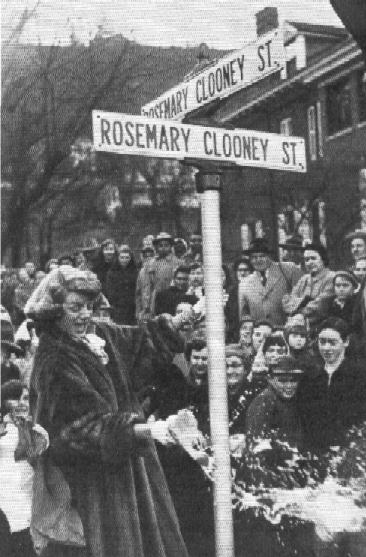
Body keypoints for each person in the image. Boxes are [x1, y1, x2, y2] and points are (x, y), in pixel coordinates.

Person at [25, 266, 190, 557]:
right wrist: (152, 430)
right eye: (75, 307)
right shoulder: (53, 361)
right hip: (94, 488)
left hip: (131, 474)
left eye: (89, 306)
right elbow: (80, 430)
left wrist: (185, 318)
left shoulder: (98, 335)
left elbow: (141, 344)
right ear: (54, 310)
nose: (85, 315)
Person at [298, 317, 366, 451]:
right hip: (315, 451)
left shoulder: (360, 377)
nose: (326, 348)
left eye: (332, 342)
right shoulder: (310, 376)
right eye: (322, 342)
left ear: (345, 342)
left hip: (349, 452)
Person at [246, 356, 305, 450]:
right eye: (282, 381)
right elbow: (257, 444)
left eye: (293, 380)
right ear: (270, 379)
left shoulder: (294, 399)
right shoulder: (264, 401)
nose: (289, 386)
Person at [240, 238, 302, 327]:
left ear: (269, 256)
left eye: (262, 256)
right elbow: (244, 317)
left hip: (286, 334)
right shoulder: (244, 284)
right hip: (259, 336)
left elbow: (302, 298)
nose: (258, 260)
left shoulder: (288, 270)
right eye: (254, 257)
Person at [282, 243, 335, 333]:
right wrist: (300, 302)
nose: (310, 262)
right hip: (299, 327)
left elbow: (320, 304)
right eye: (306, 260)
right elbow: (288, 302)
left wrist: (299, 311)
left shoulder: (332, 277)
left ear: (323, 259)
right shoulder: (304, 279)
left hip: (322, 327)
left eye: (313, 258)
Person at [105, 244, 138, 325]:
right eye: (122, 258)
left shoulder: (135, 272)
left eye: (127, 258)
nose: (124, 260)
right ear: (118, 258)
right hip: (118, 308)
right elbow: (110, 291)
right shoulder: (112, 272)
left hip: (132, 308)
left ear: (131, 258)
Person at [135, 236, 155, 323]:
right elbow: (138, 293)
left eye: (151, 253)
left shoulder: (159, 268)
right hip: (143, 312)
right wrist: (138, 312)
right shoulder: (141, 271)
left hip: (155, 310)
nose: (148, 256)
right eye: (145, 254)